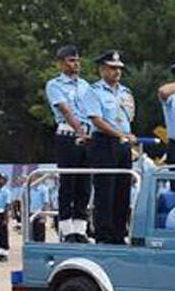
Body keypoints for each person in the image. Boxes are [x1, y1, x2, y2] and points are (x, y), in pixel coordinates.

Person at [84, 50, 136, 244]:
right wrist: (120, 134)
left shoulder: (125, 92)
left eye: (119, 68)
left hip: (123, 143)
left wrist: (126, 136)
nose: (117, 72)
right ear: (102, 69)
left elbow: (128, 118)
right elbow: (97, 119)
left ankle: (119, 232)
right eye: (112, 68)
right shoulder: (94, 91)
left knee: (123, 189)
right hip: (104, 142)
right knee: (106, 189)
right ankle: (104, 234)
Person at [45, 44, 92, 243]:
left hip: (88, 135)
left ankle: (80, 229)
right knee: (68, 183)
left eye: (77, 60)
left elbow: (93, 110)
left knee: (85, 184)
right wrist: (80, 131)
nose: (76, 64)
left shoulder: (85, 85)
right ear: (61, 63)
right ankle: (65, 227)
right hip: (68, 134)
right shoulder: (55, 85)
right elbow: (66, 110)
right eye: (71, 60)